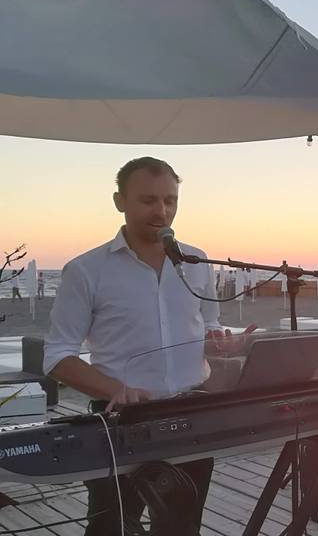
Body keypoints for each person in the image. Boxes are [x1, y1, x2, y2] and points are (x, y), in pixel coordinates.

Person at [43, 157, 244, 536]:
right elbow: (57, 356)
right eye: (148, 200)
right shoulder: (85, 270)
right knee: (111, 528)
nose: (162, 211)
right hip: (121, 421)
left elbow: (208, 324)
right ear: (120, 201)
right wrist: (115, 390)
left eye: (170, 200)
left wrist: (222, 340)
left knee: (183, 529)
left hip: (192, 412)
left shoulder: (197, 261)